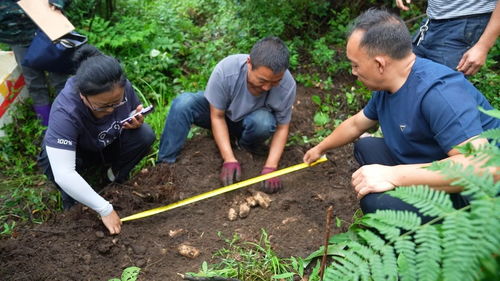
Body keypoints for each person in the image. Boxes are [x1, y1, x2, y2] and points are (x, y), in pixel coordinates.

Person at [303, 9, 500, 223]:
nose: (353, 72)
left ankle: (441, 230)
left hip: (478, 194)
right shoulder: (387, 87)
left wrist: (393, 175)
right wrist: (320, 148)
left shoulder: (440, 93)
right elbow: (356, 124)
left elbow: (484, 169)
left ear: (379, 64)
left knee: (376, 203)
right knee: (366, 146)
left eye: (355, 65)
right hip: (437, 163)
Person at [38, 47, 156, 234]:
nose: (111, 109)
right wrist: (105, 209)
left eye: (116, 103)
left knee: (144, 134)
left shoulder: (121, 88)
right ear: (83, 96)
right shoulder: (66, 111)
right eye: (103, 106)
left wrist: (134, 119)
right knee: (59, 172)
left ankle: (110, 177)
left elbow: (129, 112)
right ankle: (73, 200)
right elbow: (64, 172)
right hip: (77, 154)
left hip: (106, 145)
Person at [157, 36, 296, 193]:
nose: (267, 87)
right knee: (184, 103)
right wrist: (229, 159)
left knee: (263, 122)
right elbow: (217, 116)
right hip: (220, 114)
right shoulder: (227, 70)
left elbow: (282, 127)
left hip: (249, 123)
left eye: (275, 82)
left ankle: (245, 147)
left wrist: (271, 167)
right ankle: (164, 166)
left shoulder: (287, 85)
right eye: (262, 80)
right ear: (249, 64)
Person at [0, 0, 69, 125]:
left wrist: (58, 3)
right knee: (34, 84)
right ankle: (47, 127)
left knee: (60, 78)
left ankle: (70, 121)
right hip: (17, 34)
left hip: (48, 24)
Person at [396, 0, 499, 76]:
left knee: (438, 90)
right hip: (432, 20)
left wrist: (483, 46)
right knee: (400, 76)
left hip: (466, 22)